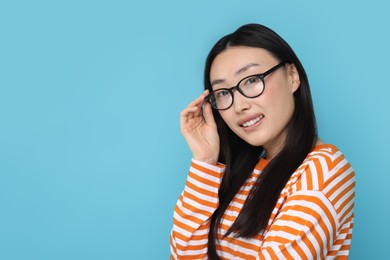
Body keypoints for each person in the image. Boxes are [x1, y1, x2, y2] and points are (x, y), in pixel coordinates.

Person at [170, 23, 355, 259]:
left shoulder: (324, 172)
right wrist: (204, 162)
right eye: (223, 93)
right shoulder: (243, 172)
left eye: (251, 80)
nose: (239, 105)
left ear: (292, 76)